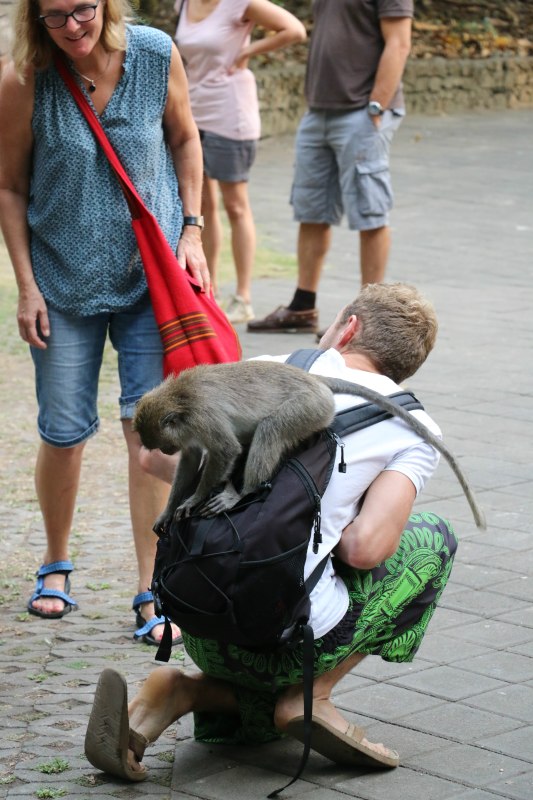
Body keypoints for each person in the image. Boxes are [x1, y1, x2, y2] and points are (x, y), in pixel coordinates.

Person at [84, 282, 458, 781]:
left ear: (348, 328)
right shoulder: (413, 425)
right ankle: (311, 696)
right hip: (288, 634)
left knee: (258, 665)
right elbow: (363, 549)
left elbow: (154, 458)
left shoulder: (269, 364)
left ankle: (179, 691)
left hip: (201, 616)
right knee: (433, 536)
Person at [0, 0, 210, 646]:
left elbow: (185, 138)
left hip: (150, 279)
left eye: (83, 9)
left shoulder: (154, 53)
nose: (72, 26)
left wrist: (193, 231)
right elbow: (9, 186)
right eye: (54, 15)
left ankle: (153, 587)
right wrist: (26, 286)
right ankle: (55, 560)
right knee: (64, 433)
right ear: (35, 18)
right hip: (60, 283)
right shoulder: (24, 77)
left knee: (152, 440)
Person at [247, 0, 413, 334]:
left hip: (363, 111)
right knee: (311, 210)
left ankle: (368, 319)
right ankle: (302, 307)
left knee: (369, 211)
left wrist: (377, 106)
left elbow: (399, 42)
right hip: (319, 111)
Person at [174, 0, 306, 323]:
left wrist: (248, 51)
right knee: (201, 206)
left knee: (235, 205)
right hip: (194, 111)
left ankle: (243, 297)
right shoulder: (184, 3)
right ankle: (210, 290)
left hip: (230, 112)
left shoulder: (239, 3)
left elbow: (295, 30)